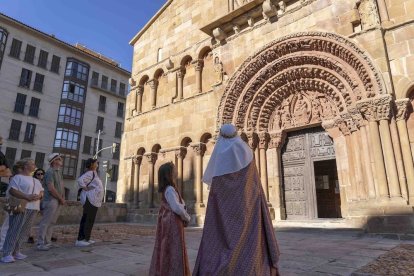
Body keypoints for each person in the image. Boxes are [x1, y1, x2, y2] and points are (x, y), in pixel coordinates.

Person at [193, 124, 280, 276]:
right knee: (249, 242)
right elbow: (255, 183)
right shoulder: (247, 152)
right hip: (248, 207)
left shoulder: (219, 157)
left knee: (220, 240)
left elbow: (216, 193)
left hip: (223, 213)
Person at [149, 162, 191, 276]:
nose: (177, 171)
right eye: (174, 170)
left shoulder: (168, 189)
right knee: (173, 248)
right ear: (169, 174)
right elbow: (176, 207)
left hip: (168, 222)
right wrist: (187, 217)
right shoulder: (170, 190)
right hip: (172, 223)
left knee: (168, 246)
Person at [1, 158, 43, 263]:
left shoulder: (36, 180)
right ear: (25, 166)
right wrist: (26, 196)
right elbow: (12, 190)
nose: (34, 165)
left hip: (34, 207)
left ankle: (16, 251)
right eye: (32, 164)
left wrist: (39, 196)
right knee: (14, 229)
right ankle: (7, 253)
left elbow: (42, 191)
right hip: (21, 207)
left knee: (24, 231)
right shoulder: (17, 177)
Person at [37, 153, 65, 251]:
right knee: (46, 222)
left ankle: (47, 242)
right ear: (54, 161)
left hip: (57, 200)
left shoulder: (59, 172)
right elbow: (51, 188)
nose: (61, 160)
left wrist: (63, 197)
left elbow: (61, 186)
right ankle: (40, 243)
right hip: (50, 200)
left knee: (52, 222)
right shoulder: (50, 172)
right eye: (59, 158)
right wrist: (60, 198)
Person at [75, 158, 104, 247]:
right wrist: (85, 187)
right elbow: (80, 180)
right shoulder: (90, 173)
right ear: (91, 164)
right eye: (95, 162)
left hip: (94, 200)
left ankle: (86, 238)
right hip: (90, 199)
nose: (97, 163)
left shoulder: (94, 173)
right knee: (87, 218)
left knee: (90, 219)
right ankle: (80, 239)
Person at [0, 163, 24, 252]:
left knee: (10, 225)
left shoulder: (17, 178)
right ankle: (2, 245)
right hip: (12, 203)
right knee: (7, 225)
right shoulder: (15, 178)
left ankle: (5, 245)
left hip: (15, 202)